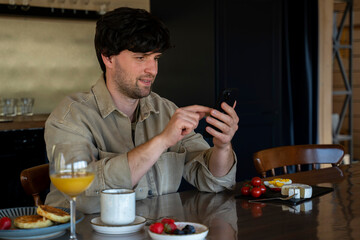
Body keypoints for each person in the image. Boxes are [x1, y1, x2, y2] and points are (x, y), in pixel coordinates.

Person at [44, 7, 239, 214]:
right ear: (108, 58)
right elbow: (82, 197)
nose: (153, 70)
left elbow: (212, 181)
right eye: (141, 58)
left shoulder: (166, 110)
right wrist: (162, 140)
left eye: (155, 58)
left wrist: (222, 146)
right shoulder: (70, 117)